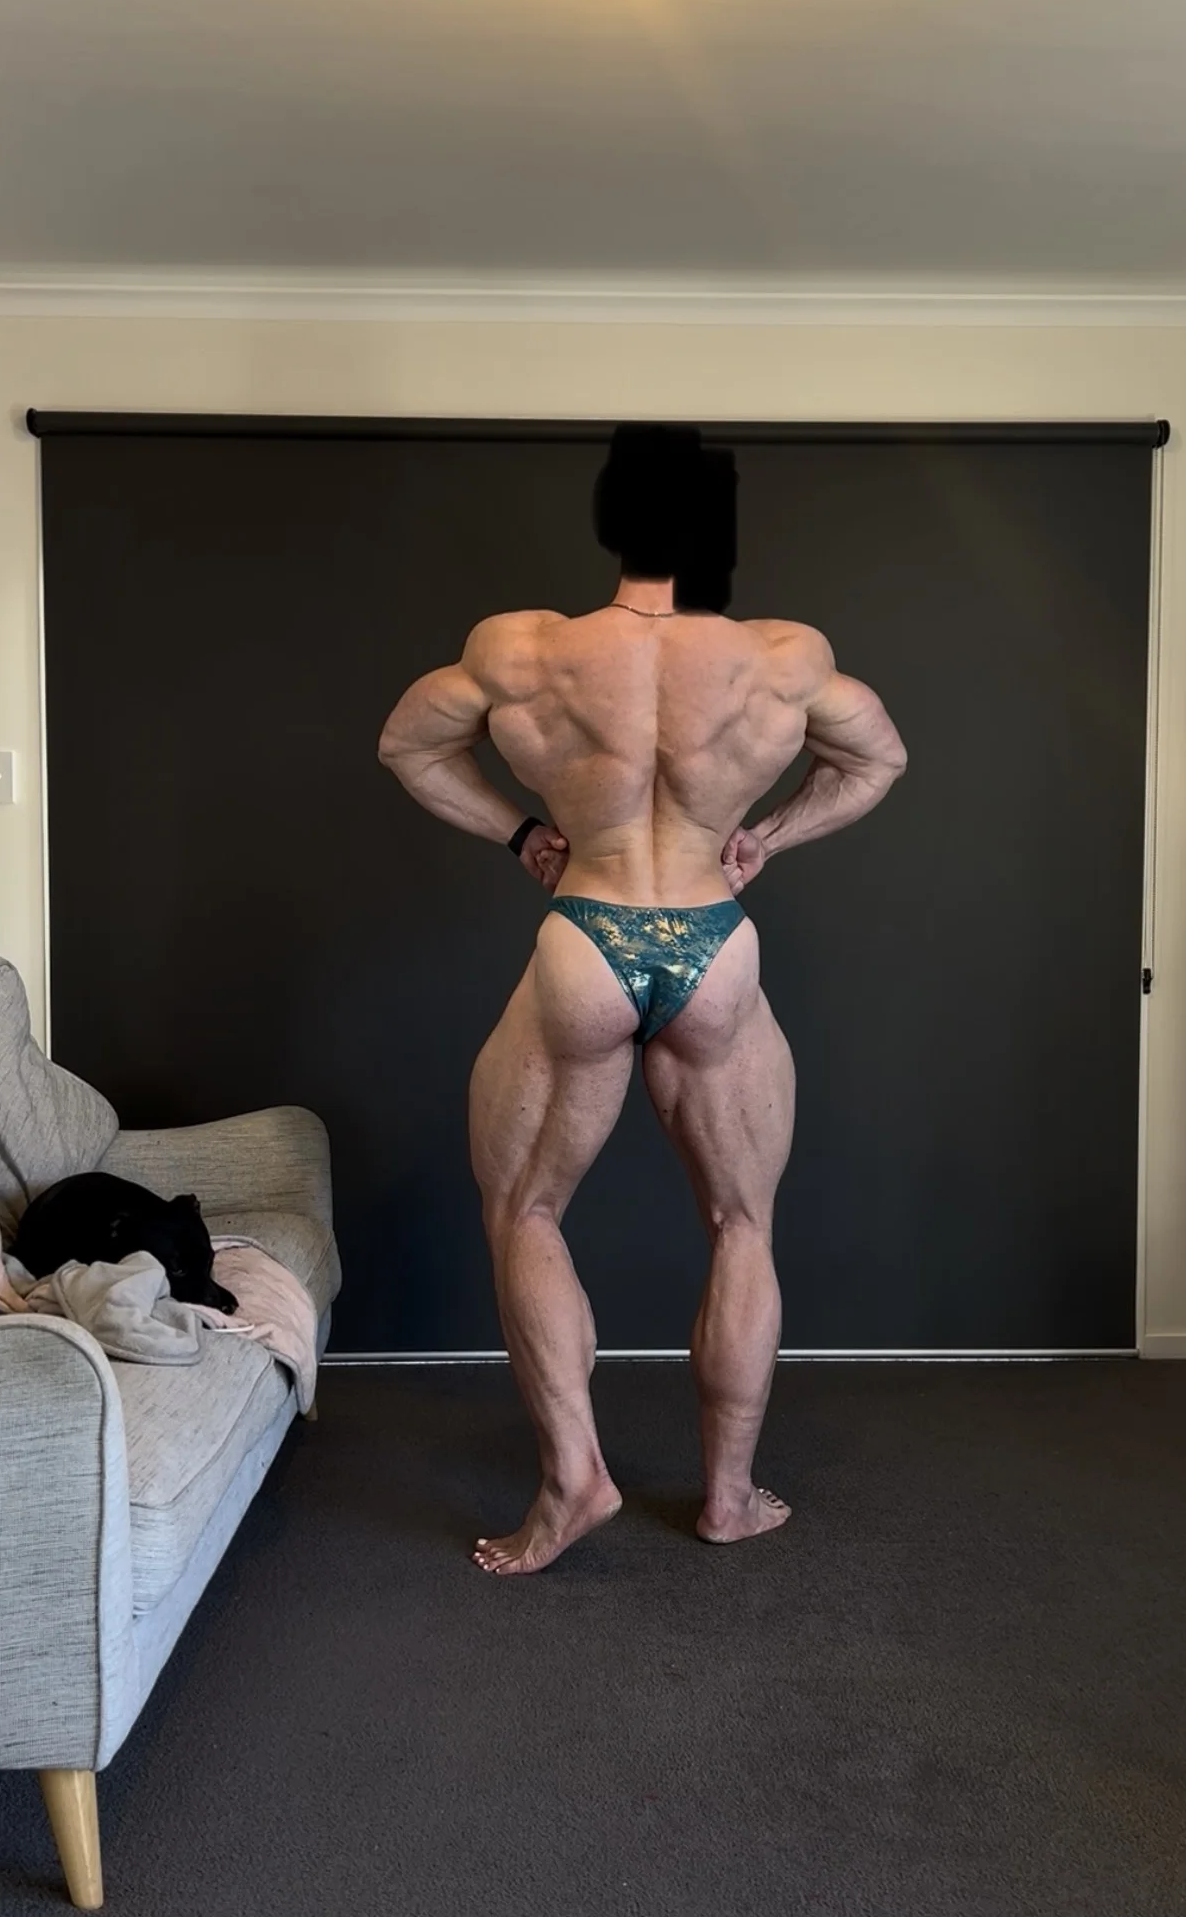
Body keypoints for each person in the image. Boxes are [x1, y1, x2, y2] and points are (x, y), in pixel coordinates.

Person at [378, 424, 907, 1575]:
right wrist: (766, 835)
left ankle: (573, 1482)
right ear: (710, 533)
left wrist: (521, 831)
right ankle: (728, 1497)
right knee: (743, 1225)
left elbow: (408, 747)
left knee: (524, 1214)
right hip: (714, 943)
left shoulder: (523, 650)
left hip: (590, 931)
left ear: (609, 523)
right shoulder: (781, 658)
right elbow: (878, 759)